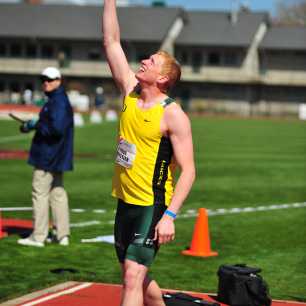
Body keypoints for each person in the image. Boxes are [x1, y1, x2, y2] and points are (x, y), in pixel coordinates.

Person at [103, 1, 196, 306]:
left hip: (151, 205)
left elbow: (189, 170)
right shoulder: (129, 90)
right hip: (125, 201)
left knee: (132, 276)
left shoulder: (173, 115)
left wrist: (170, 216)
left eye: (152, 61)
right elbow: (112, 42)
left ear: (163, 79)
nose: (143, 61)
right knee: (136, 277)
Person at [17, 67, 74, 248]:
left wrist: (36, 125)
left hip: (48, 155)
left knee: (40, 194)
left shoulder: (57, 101)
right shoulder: (58, 99)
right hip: (56, 156)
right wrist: (35, 125)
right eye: (43, 79)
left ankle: (39, 236)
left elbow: (55, 129)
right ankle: (62, 235)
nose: (45, 83)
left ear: (59, 80)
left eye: (49, 80)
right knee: (57, 194)